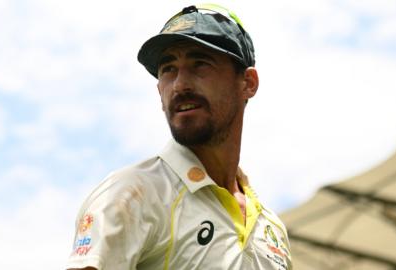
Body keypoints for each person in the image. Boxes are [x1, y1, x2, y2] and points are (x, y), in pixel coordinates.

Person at [66, 4, 292, 270]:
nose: (180, 85)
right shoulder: (133, 192)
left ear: (248, 83)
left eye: (200, 64)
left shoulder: (273, 230)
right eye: (168, 69)